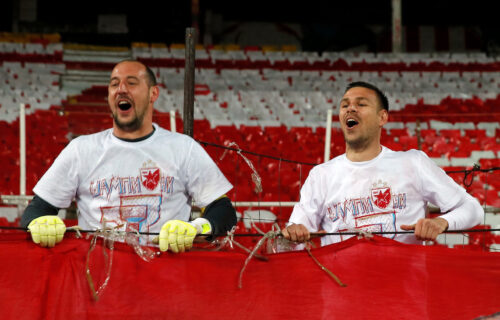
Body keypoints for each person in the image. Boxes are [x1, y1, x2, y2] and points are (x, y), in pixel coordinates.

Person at [21, 60, 237, 253]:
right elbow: (36, 211)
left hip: (165, 279)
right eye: (114, 84)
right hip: (98, 280)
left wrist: (196, 228)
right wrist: (41, 223)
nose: (121, 89)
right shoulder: (81, 149)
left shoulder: (183, 148)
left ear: (153, 93)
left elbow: (224, 211)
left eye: (131, 83)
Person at [282, 81, 483, 245]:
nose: (350, 108)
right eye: (345, 105)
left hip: (401, 291)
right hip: (342, 291)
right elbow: (292, 240)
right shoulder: (321, 175)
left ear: (382, 117)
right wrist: (293, 234)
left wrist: (441, 222)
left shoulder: (413, 163)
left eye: (361, 104)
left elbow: (473, 209)